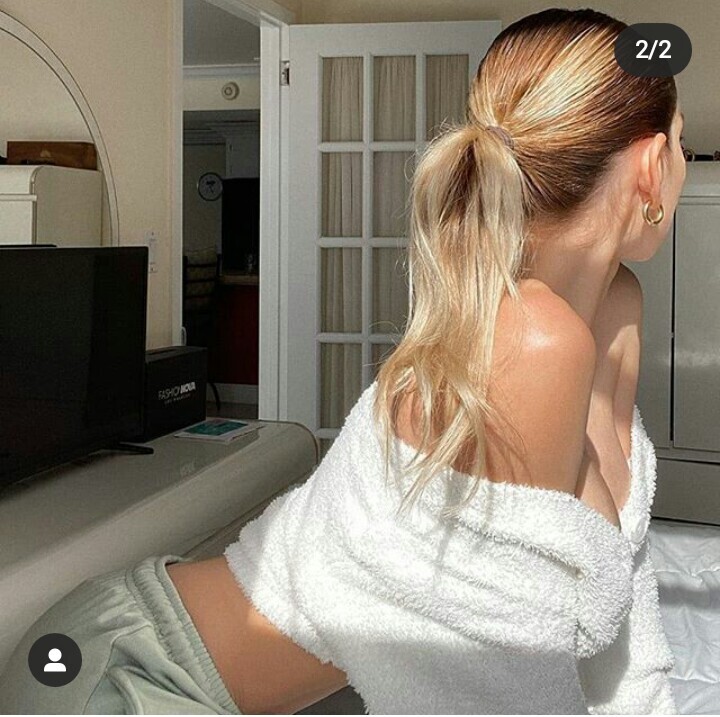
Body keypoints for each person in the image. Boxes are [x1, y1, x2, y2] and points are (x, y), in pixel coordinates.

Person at [0, 7, 686, 714]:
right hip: (141, 675)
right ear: (652, 165)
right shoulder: (532, 341)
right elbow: (501, 685)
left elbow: (620, 602)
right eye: (684, 142)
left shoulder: (611, 311)